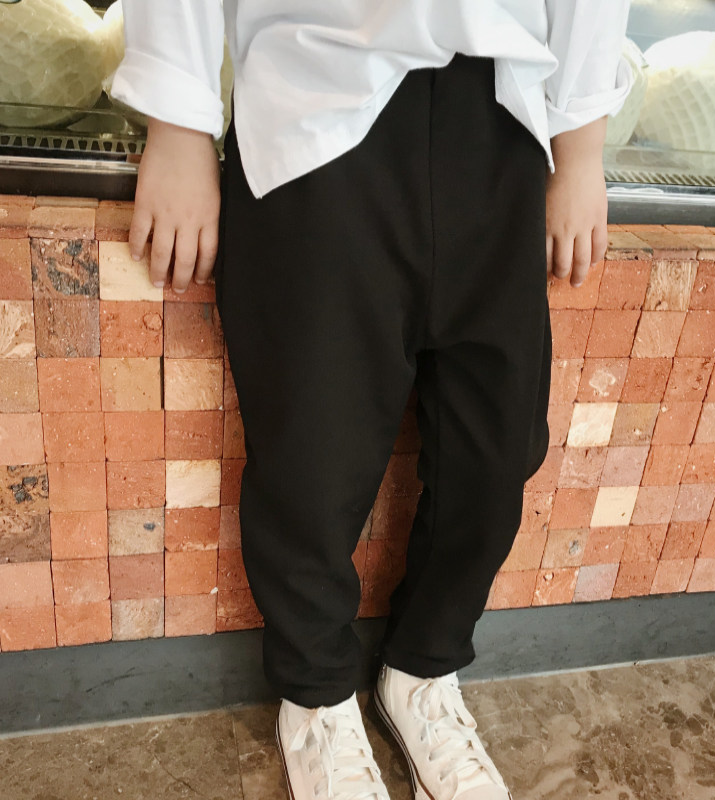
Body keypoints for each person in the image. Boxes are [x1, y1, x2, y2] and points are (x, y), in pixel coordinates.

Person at [111, 2, 632, 798]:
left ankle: (422, 671)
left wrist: (582, 148)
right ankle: (316, 693)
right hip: (315, 98)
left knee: (497, 451)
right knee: (311, 456)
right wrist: (178, 121)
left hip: (505, 113)